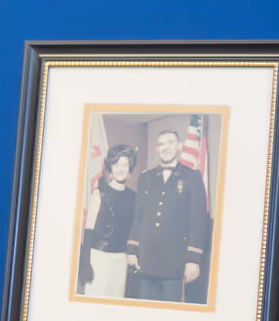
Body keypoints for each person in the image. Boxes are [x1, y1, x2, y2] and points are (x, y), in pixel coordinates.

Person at [126, 127, 209, 303]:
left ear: (179, 146)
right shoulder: (146, 177)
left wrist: (193, 259)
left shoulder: (192, 177)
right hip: (146, 260)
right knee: (146, 310)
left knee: (171, 314)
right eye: (160, 144)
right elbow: (138, 216)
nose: (165, 148)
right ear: (157, 149)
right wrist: (132, 249)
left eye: (170, 143)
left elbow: (197, 222)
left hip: (176, 264)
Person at [81, 144, 138, 297]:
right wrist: (86, 264)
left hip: (121, 259)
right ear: (110, 167)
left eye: (124, 164)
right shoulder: (99, 194)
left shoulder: (134, 198)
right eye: (116, 164)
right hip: (99, 258)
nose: (120, 168)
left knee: (116, 300)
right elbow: (88, 229)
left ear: (129, 168)